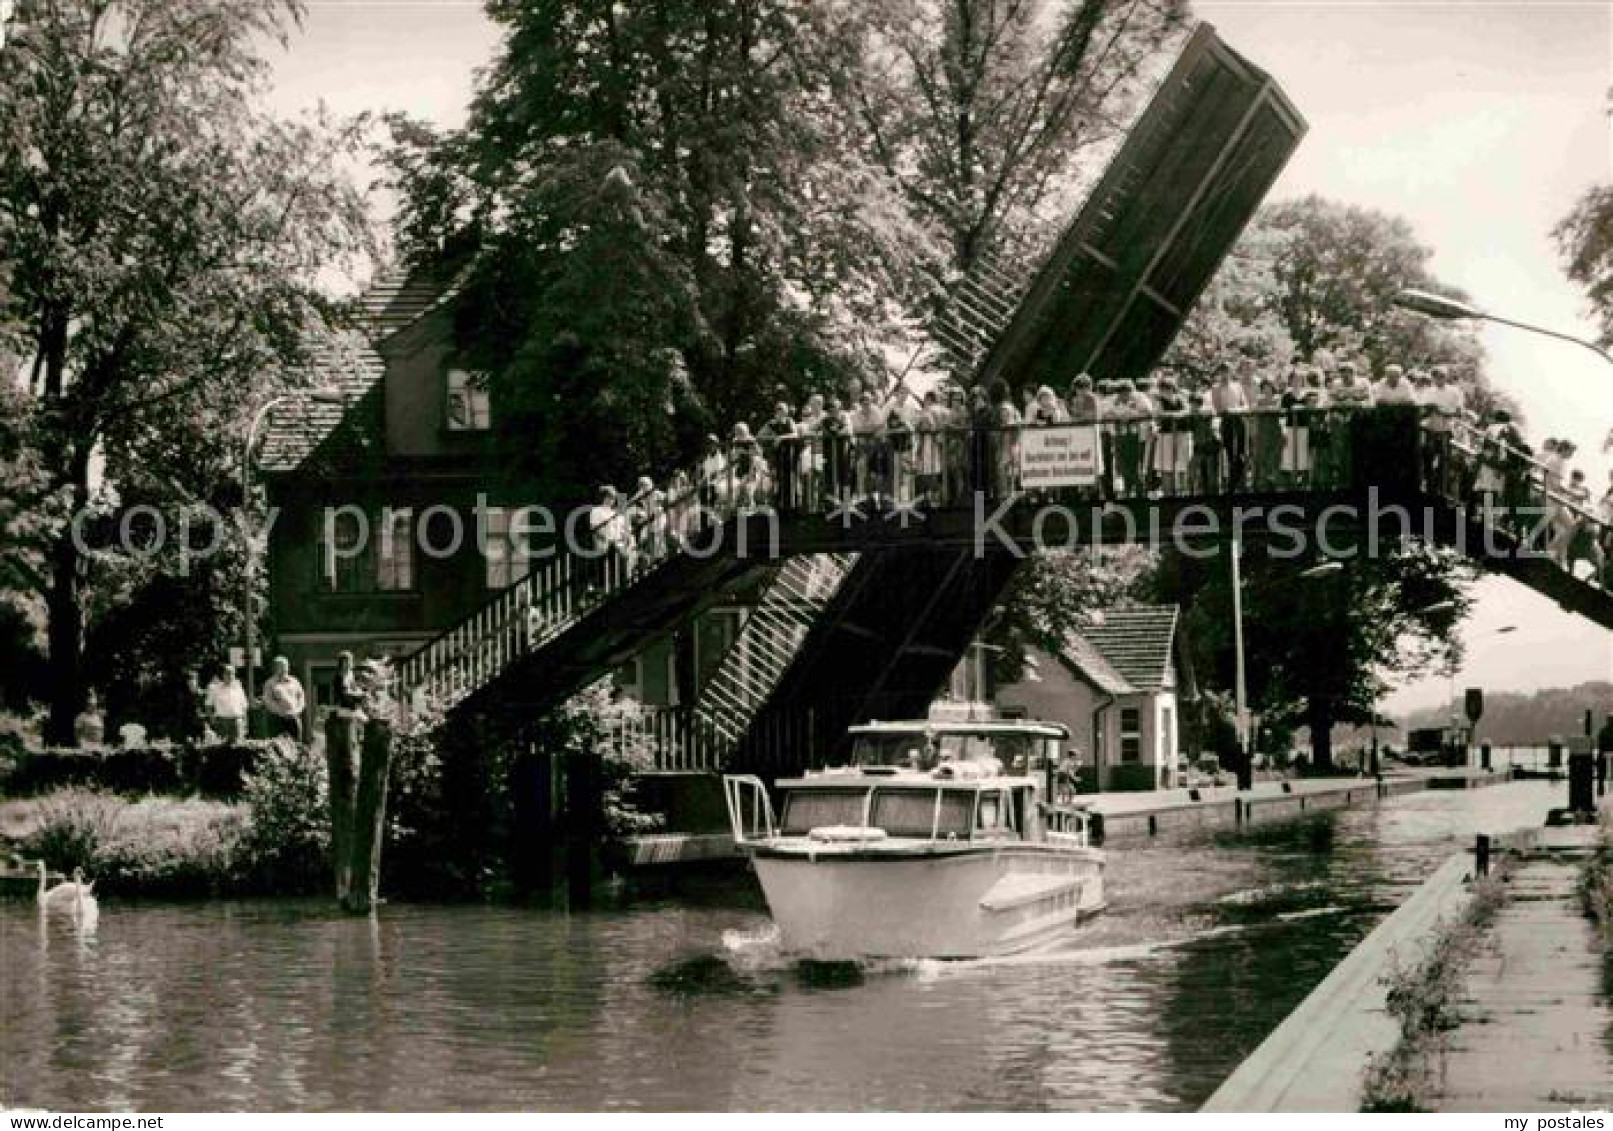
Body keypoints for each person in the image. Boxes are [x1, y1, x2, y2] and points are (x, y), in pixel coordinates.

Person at [1209, 362, 1248, 490]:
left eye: (1227, 371)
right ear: (1219, 373)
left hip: (1239, 420)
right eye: (1222, 371)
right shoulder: (1215, 388)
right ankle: (1230, 485)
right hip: (1226, 421)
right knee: (1229, 453)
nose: (1225, 374)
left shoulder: (1237, 386)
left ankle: (1240, 483)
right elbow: (1217, 407)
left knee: (1241, 453)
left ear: (1231, 372)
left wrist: (1239, 409)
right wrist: (1227, 410)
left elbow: (1245, 404)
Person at [757, 402, 798, 509]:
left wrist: (780, 438)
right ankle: (776, 507)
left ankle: (790, 509)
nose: (780, 412)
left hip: (788, 455)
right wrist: (772, 436)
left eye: (782, 410)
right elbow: (759, 436)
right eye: (778, 410)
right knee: (776, 480)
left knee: (789, 481)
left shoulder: (789, 421)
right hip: (775, 456)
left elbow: (795, 434)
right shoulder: (771, 423)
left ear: (786, 412)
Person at [259, 656, 306, 741]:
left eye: (286, 666)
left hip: (294, 717)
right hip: (277, 719)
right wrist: (281, 712)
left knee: (297, 744)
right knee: (278, 745)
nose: (285, 669)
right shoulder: (269, 683)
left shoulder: (295, 681)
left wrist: (297, 710)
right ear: (275, 668)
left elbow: (301, 698)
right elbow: (268, 701)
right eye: (282, 666)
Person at [204, 663, 248, 742]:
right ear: (223, 674)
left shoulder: (238, 687)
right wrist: (212, 720)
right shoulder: (214, 688)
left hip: (237, 721)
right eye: (228, 673)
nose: (231, 676)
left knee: (239, 747)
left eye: (233, 674)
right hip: (222, 722)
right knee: (222, 748)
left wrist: (245, 722)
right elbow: (208, 705)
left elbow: (244, 706)